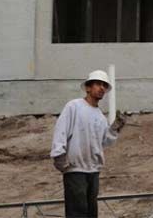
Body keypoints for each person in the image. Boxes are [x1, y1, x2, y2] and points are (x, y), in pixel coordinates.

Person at [51, 70, 126, 218]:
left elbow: (104, 141)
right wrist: (58, 154)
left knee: (91, 212)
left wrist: (115, 128)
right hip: (75, 169)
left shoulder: (99, 116)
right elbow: (61, 131)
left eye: (104, 85)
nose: (102, 88)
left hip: (93, 170)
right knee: (77, 212)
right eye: (98, 84)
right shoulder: (74, 107)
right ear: (88, 88)